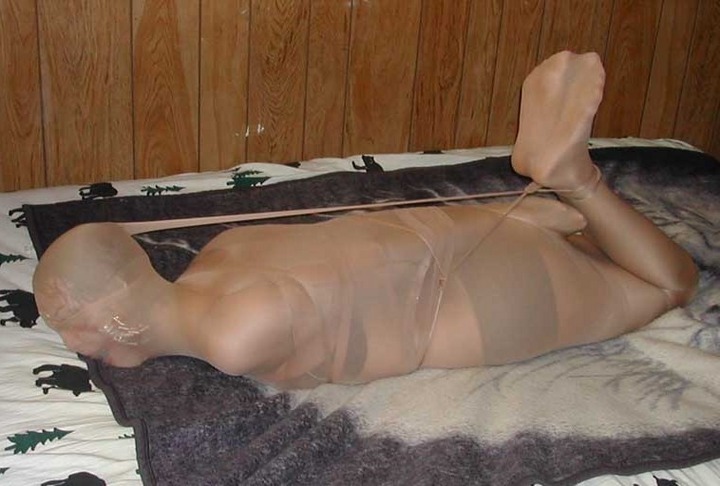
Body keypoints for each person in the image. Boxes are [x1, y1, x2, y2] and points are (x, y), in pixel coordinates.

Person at [32, 52, 698, 390]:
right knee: (597, 248)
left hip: (475, 298)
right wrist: (497, 213)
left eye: (70, 324)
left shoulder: (234, 341)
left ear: (115, 317)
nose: (72, 345)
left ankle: (576, 177)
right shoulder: (223, 252)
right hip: (465, 236)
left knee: (673, 285)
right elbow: (355, 247)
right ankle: (566, 197)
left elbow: (368, 292)